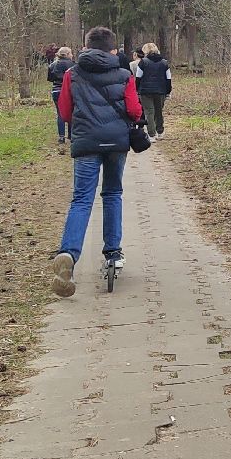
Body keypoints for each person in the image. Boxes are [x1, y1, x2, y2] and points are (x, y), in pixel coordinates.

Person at [49, 26, 143, 297]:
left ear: (85, 47)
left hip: (86, 143)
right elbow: (135, 110)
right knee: (112, 193)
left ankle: (68, 253)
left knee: (81, 199)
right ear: (113, 50)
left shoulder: (72, 74)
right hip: (116, 143)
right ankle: (112, 252)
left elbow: (65, 111)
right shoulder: (125, 74)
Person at [137, 42, 173, 139]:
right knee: (158, 112)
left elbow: (138, 78)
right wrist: (168, 91)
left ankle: (151, 134)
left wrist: (137, 90)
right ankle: (160, 131)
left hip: (145, 91)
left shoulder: (143, 62)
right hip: (161, 90)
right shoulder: (164, 63)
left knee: (149, 112)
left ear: (145, 51)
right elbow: (168, 78)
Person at [47, 46, 76, 145]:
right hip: (68, 90)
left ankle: (61, 137)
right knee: (71, 111)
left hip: (55, 90)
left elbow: (50, 79)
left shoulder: (52, 65)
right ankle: (71, 135)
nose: (72, 55)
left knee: (60, 114)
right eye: (71, 53)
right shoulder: (72, 65)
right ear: (67, 54)